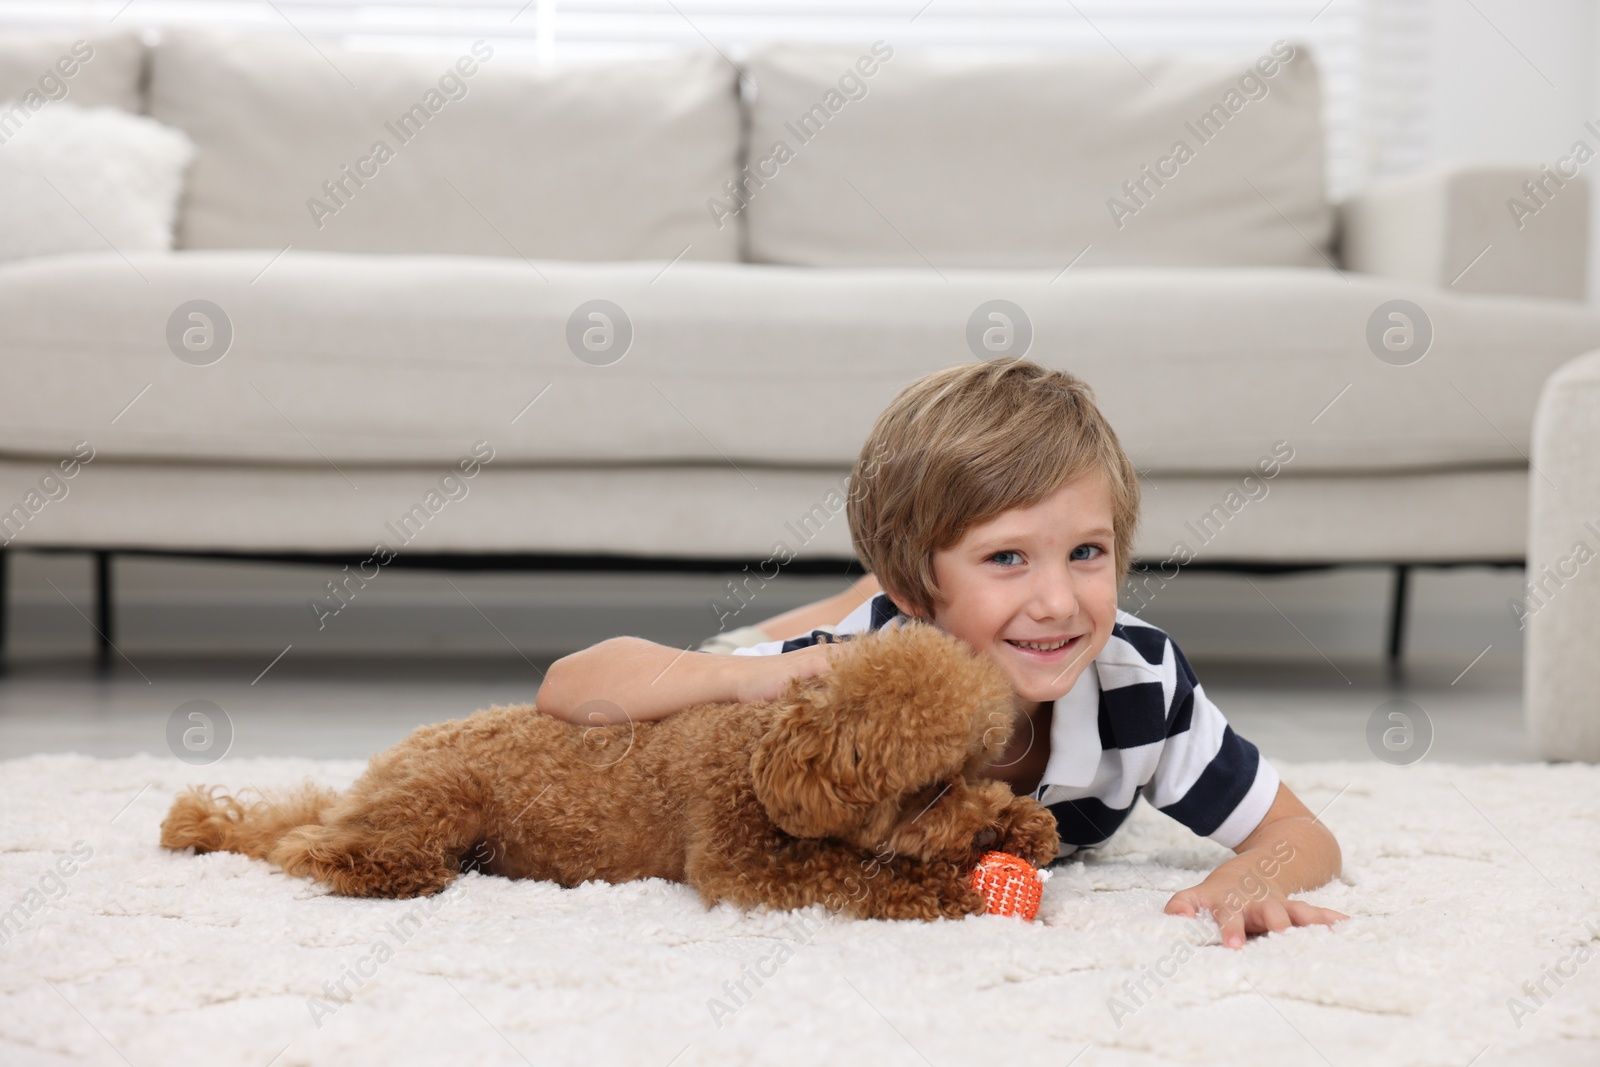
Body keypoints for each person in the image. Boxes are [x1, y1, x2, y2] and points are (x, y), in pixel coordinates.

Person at [539, 358, 1347, 947]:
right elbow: (570, 683)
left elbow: (1298, 830)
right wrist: (761, 672)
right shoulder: (856, 677)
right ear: (918, 590)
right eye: (1008, 557)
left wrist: (1250, 878)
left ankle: (907, 579)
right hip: (834, 631)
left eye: (1088, 553)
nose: (1059, 600)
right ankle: (854, 594)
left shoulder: (1140, 680)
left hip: (918, 597)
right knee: (781, 635)